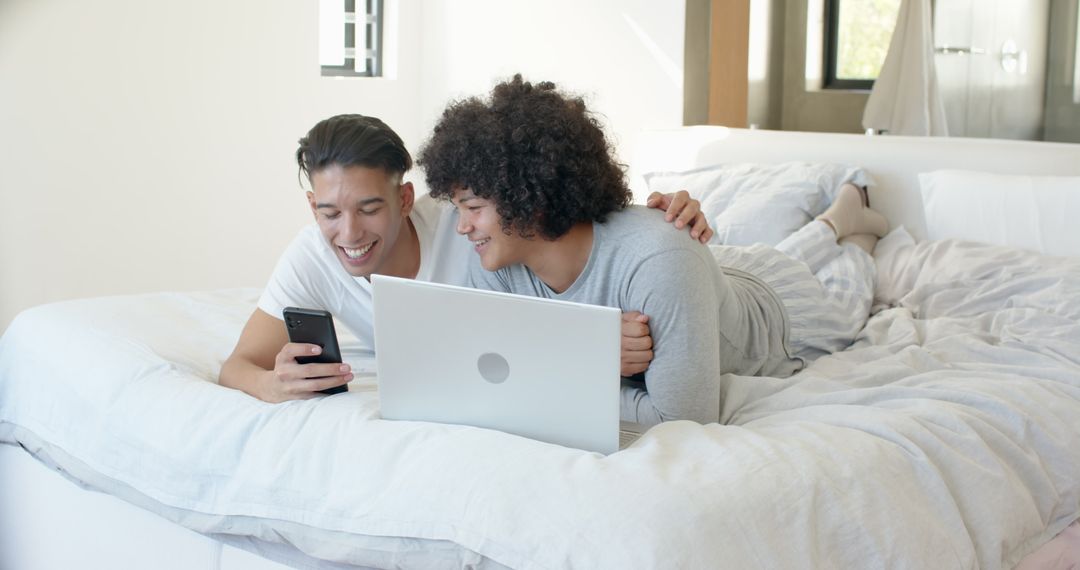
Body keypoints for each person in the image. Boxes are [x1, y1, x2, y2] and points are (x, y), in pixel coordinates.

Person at [417, 75, 890, 427]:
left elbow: (677, 420)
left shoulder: (658, 260)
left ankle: (854, 224)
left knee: (852, 280)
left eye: (473, 207)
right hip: (711, 280)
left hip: (783, 317)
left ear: (531, 196)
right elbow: (490, 367)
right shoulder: (496, 260)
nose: (462, 227)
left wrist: (553, 373)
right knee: (772, 251)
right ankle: (836, 219)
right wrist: (587, 353)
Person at [218, 114, 715, 402]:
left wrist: (652, 223)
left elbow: (572, 241)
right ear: (313, 208)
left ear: (406, 199)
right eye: (329, 213)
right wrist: (272, 384)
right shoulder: (312, 255)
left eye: (369, 209)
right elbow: (238, 366)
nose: (348, 233)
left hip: (696, 280)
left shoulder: (479, 234)